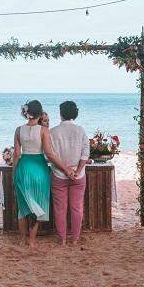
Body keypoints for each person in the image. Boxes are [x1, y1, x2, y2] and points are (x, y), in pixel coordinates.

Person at [13, 100, 75, 249]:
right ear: (40, 114)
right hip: (39, 169)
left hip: (23, 168)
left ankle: (22, 240)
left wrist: (15, 173)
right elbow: (49, 154)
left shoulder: (18, 130)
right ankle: (32, 242)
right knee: (37, 204)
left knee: (23, 207)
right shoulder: (43, 130)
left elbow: (16, 154)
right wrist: (66, 169)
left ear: (26, 113)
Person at [50, 101, 90, 246]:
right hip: (78, 176)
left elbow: (51, 155)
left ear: (60, 113)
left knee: (60, 208)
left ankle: (62, 239)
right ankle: (75, 238)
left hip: (59, 174)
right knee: (77, 207)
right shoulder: (80, 130)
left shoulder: (53, 132)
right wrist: (77, 171)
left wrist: (65, 171)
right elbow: (86, 153)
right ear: (75, 113)